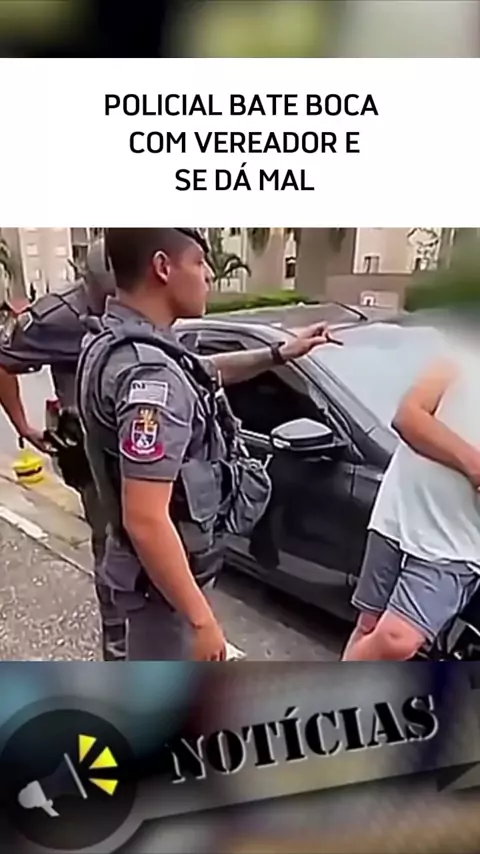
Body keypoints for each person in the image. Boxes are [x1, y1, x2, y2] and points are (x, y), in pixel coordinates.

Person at [76, 227, 334, 661]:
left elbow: (200, 370)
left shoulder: (121, 343)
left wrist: (279, 354)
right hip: (163, 593)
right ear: (162, 267)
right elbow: (145, 518)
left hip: (153, 582)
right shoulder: (150, 377)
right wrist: (202, 620)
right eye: (199, 262)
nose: (210, 274)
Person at [0, 238, 127, 661]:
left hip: (144, 453)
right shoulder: (58, 317)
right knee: (111, 551)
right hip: (96, 463)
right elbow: (3, 359)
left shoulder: (146, 303)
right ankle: (118, 650)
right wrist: (23, 426)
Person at [342, 331, 480, 661]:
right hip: (400, 509)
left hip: (460, 539)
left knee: (397, 639)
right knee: (369, 624)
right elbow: (409, 417)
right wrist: (475, 466)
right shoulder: (463, 352)